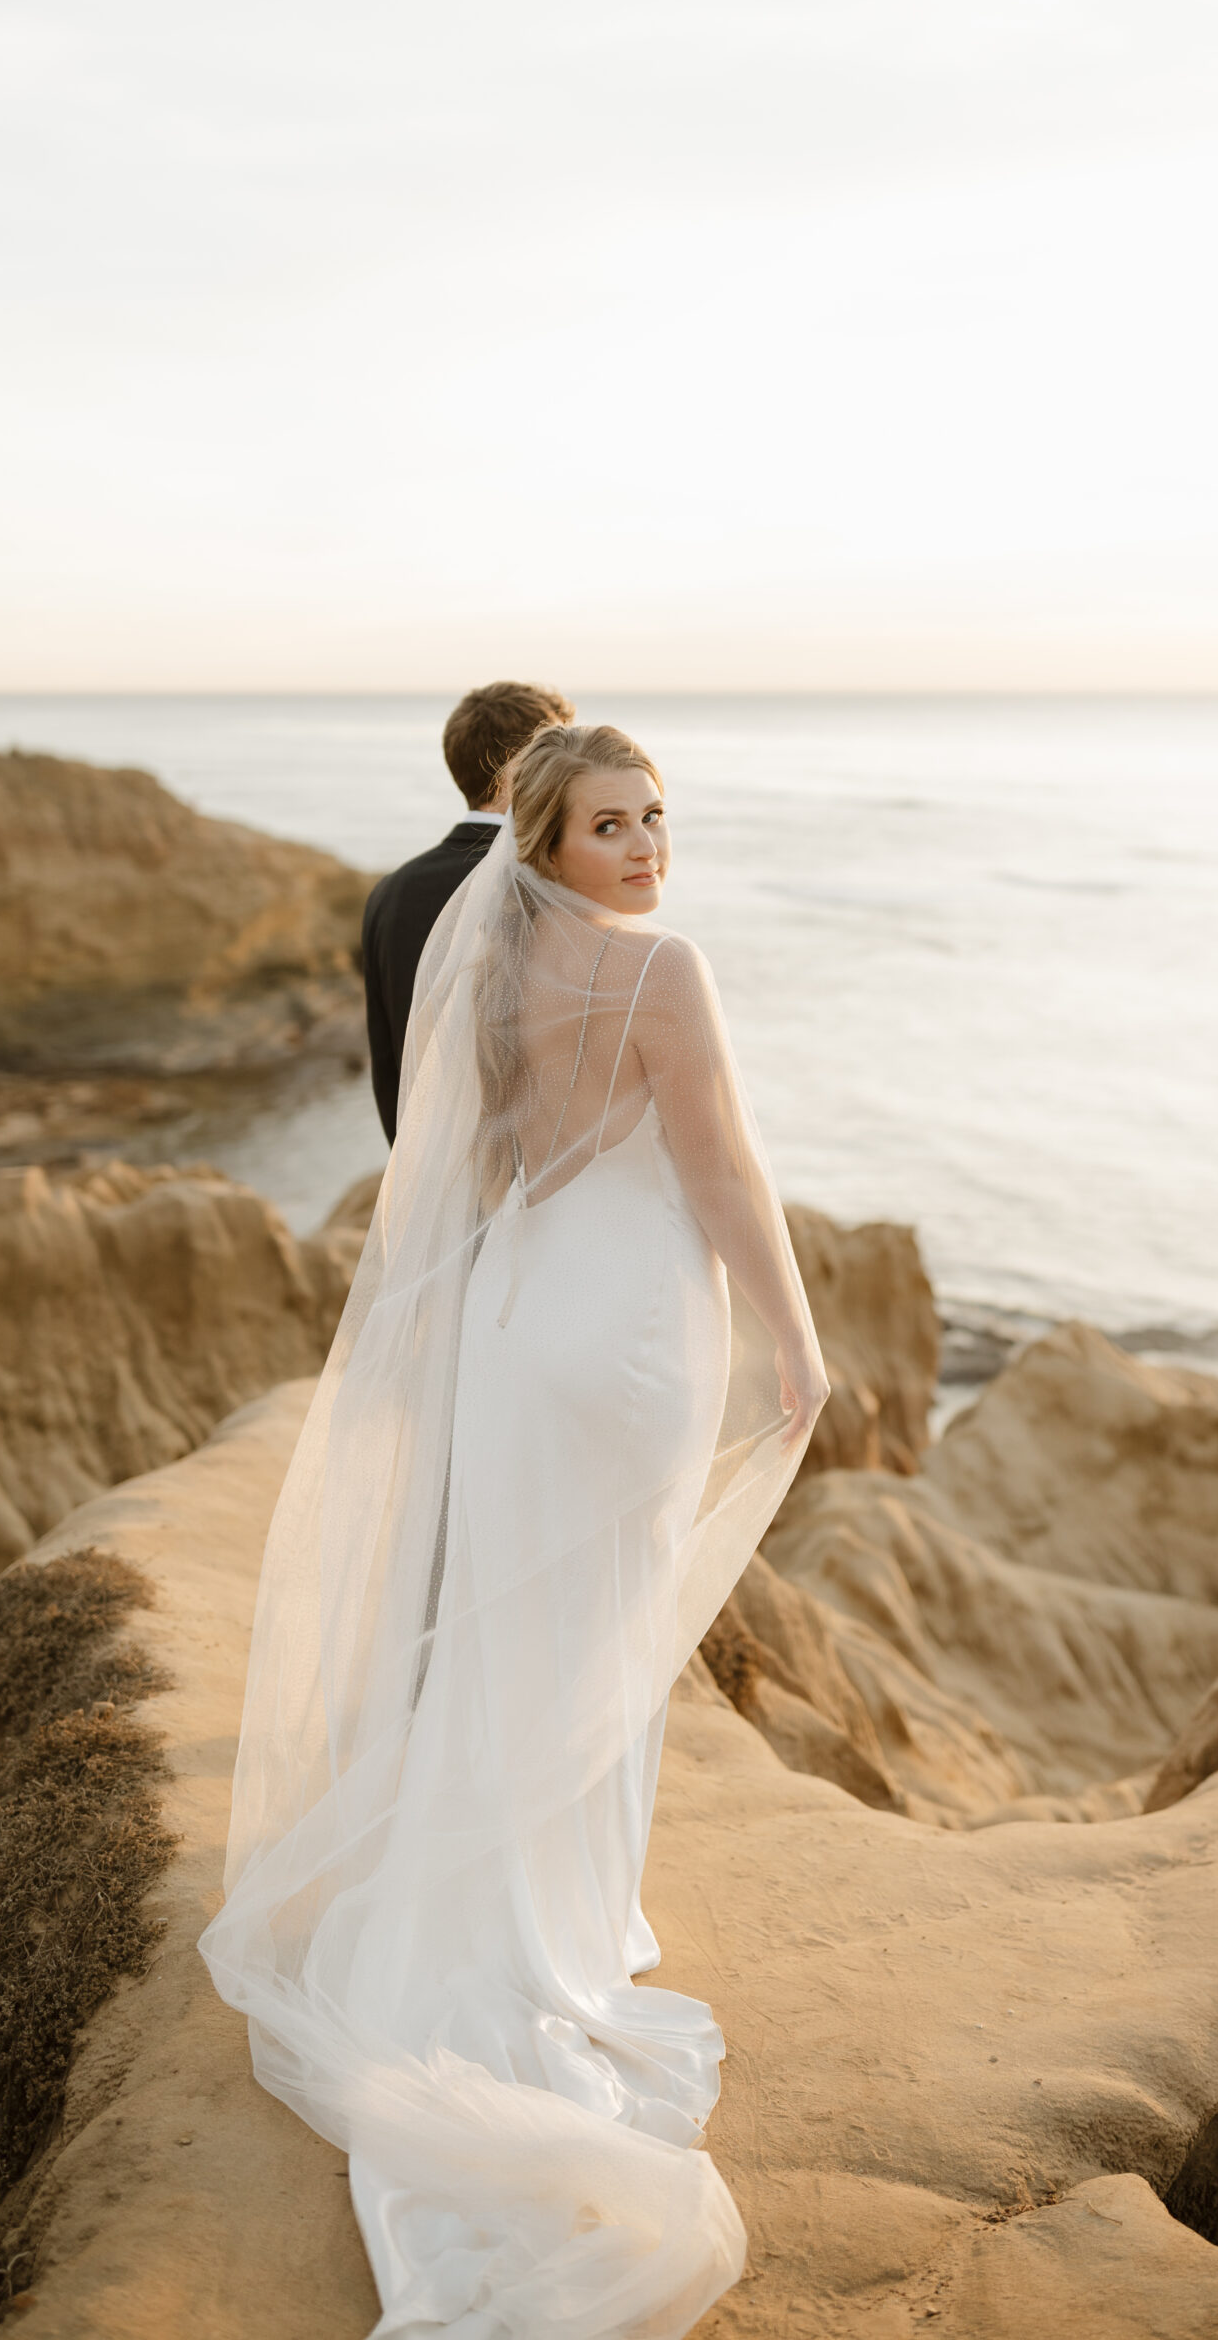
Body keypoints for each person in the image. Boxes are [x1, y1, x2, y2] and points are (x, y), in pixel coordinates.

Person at [200, 722, 828, 2340]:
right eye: (612, 826)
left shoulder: (481, 973)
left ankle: (494, 1919)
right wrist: (798, 1340)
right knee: (595, 1633)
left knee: (505, 1623)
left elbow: (458, 1168)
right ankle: (553, 1947)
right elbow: (722, 1168)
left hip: (510, 1321)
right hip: (619, 1341)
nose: (646, 848)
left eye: (658, 819)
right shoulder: (663, 971)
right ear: (541, 842)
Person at [361, 679, 575, 1142]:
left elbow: (387, 1062)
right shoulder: (552, 882)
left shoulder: (387, 894)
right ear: (520, 770)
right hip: (528, 1184)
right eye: (558, 752)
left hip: (426, 1176)